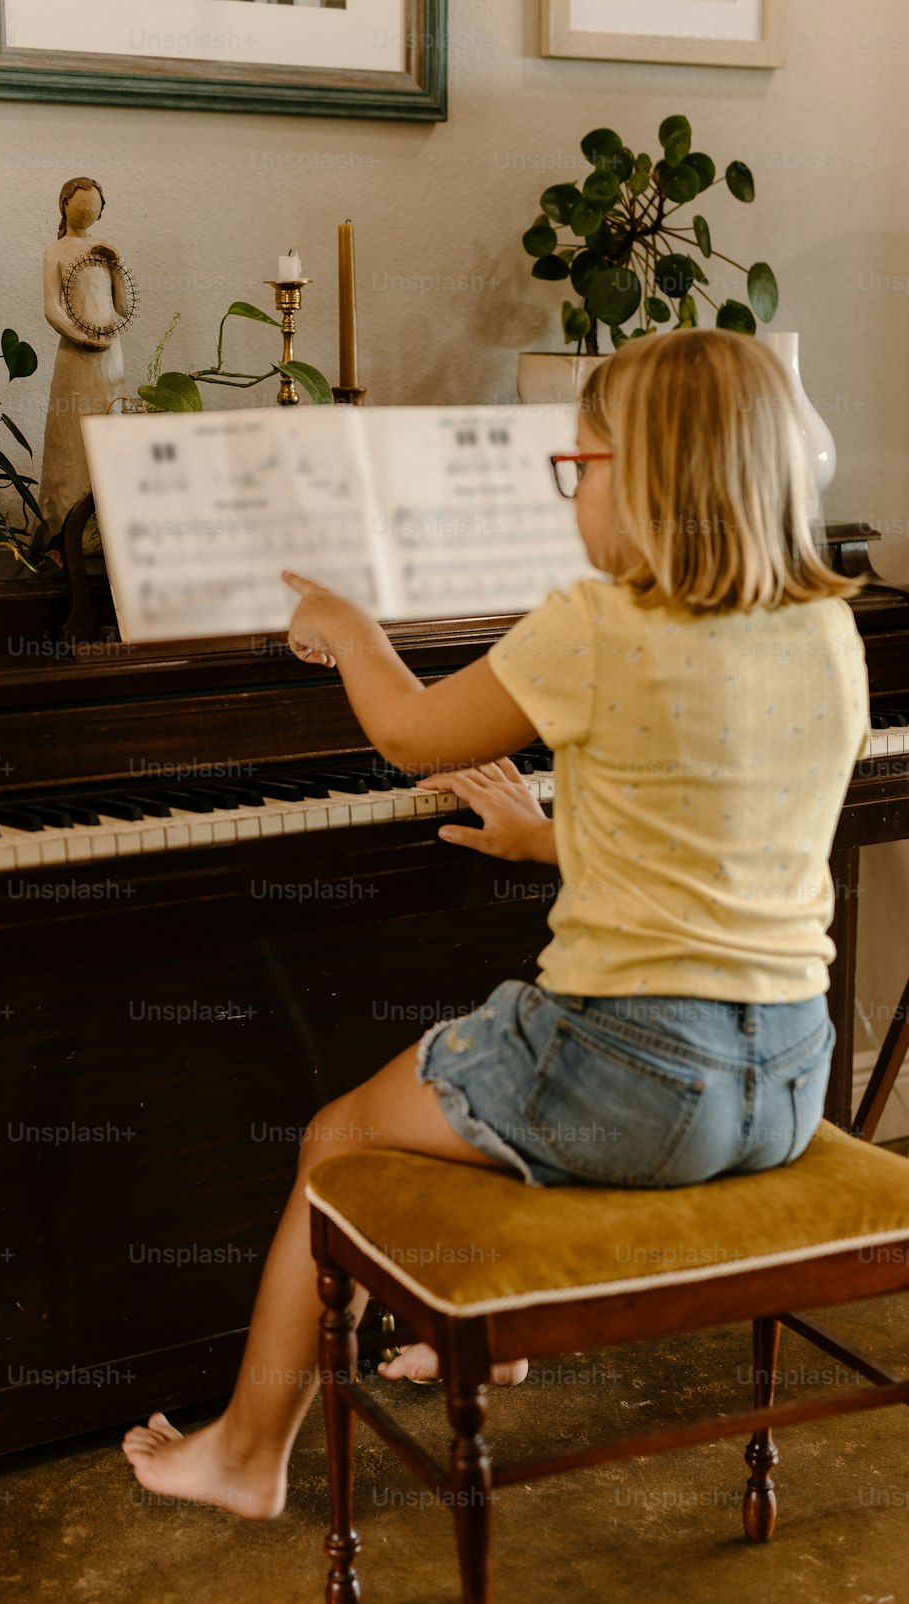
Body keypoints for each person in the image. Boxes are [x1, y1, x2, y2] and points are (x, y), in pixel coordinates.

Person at [123, 328, 871, 1519]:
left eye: (583, 466)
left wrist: (353, 631)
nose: (574, 490)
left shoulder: (592, 622)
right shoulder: (827, 629)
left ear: (651, 478)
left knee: (340, 1144)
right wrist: (544, 838)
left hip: (635, 1084)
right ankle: (492, 1330)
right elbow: (720, 828)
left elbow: (414, 738)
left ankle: (248, 1454)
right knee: (505, 1089)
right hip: (785, 1079)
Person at [38, 177, 131, 538]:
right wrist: (82, 336)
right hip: (77, 357)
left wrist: (117, 264)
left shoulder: (104, 250)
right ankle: (64, 525)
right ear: (64, 204)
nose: (88, 211)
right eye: (81, 205)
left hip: (111, 358)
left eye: (94, 207)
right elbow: (50, 306)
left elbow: (121, 308)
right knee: (72, 432)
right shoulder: (55, 252)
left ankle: (104, 528)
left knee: (110, 425)